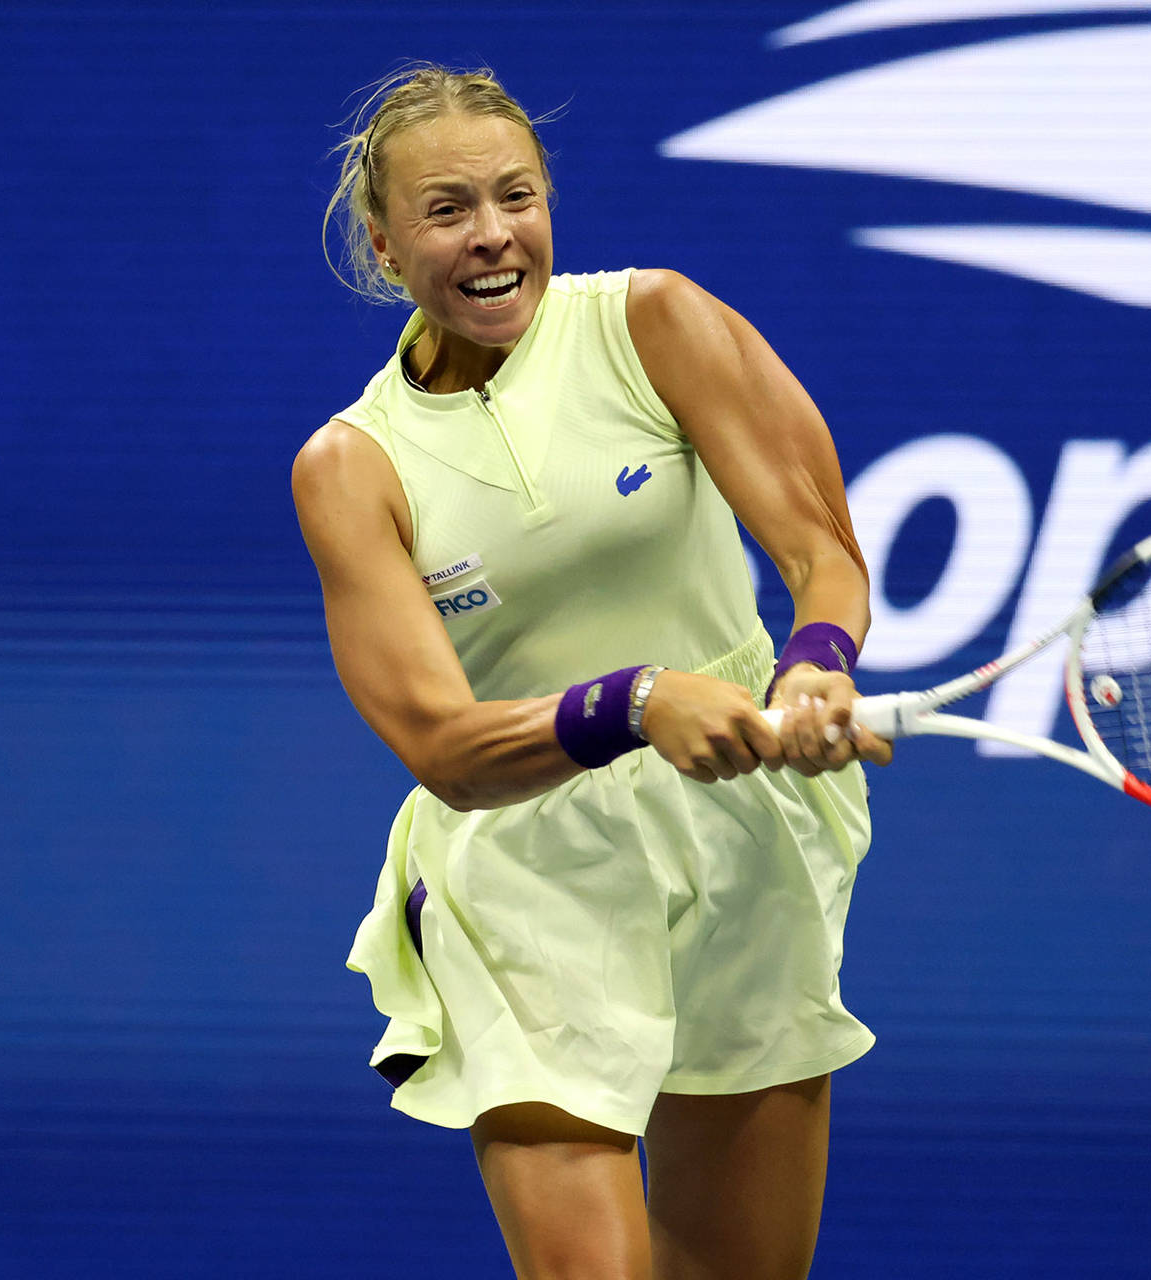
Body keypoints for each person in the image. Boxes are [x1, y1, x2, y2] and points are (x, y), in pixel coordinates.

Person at [292, 64, 892, 1279]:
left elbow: (818, 547)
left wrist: (817, 667)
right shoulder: (353, 466)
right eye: (448, 209)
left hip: (743, 838)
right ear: (384, 239)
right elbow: (448, 752)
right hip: (528, 873)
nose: (494, 233)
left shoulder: (652, 321)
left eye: (518, 196)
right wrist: (635, 700)